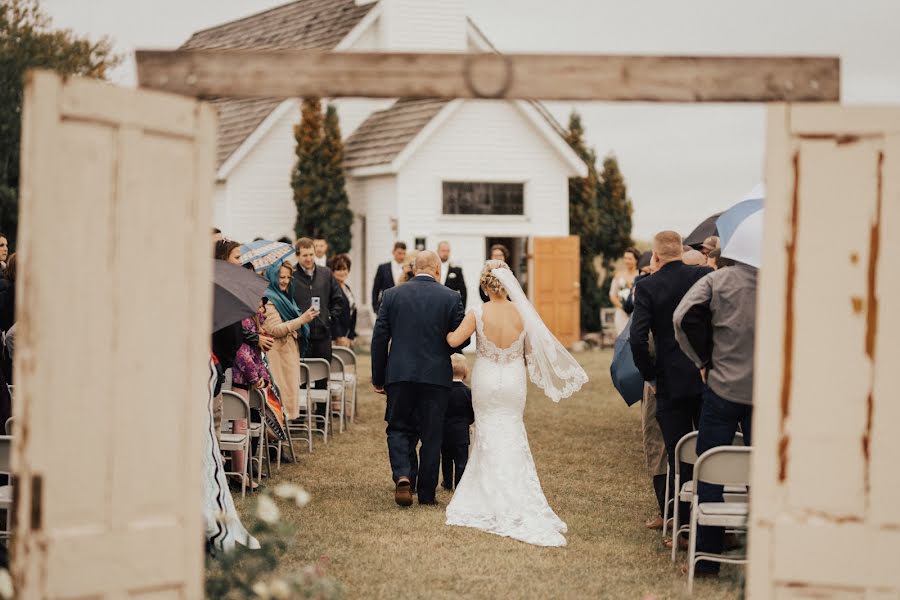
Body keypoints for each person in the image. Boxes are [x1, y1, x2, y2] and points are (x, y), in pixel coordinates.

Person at [444, 260, 588, 547]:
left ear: (485, 285)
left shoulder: (477, 312)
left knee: (486, 433)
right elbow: (531, 353)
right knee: (511, 432)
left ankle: (487, 494)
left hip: (486, 379)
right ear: (508, 284)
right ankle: (516, 494)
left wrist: (444, 329)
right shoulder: (523, 313)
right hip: (512, 380)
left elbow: (453, 341)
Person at [674, 257, 758, 577]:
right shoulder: (779, 280)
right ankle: (763, 555)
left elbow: (682, 316)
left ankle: (706, 562)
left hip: (722, 387)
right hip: (764, 392)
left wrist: (701, 359)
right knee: (760, 474)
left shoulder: (717, 280)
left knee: (709, 474)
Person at [629, 231, 712, 549]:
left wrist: (650, 373)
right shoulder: (705, 275)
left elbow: (638, 338)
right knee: (709, 449)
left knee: (678, 454)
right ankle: (711, 525)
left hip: (669, 382)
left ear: (657, 257)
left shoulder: (648, 286)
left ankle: (682, 526)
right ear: (680, 251)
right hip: (706, 377)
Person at [371, 251, 468, 507]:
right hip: (436, 376)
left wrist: (379, 377)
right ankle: (426, 494)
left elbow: (380, 338)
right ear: (437, 269)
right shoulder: (451, 297)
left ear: (414, 268)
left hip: (400, 374)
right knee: (432, 434)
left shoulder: (392, 295)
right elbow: (462, 339)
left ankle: (403, 475)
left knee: (399, 427)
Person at [262, 262, 318, 420]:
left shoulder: (284, 297)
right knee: (279, 398)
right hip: (277, 355)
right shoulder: (268, 298)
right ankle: (275, 440)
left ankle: (280, 438)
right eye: (281, 277)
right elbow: (274, 330)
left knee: (287, 395)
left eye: (288, 277)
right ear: (272, 277)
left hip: (287, 354)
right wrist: (301, 320)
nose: (285, 280)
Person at [293, 237, 344, 372]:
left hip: (323, 335)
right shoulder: (291, 276)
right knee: (301, 381)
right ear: (297, 256)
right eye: (305, 255)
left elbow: (338, 299)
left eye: (311, 254)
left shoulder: (326, 273)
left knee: (322, 378)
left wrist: (330, 317)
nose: (309, 259)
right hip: (300, 337)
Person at [441, 353, 474, 491]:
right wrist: (468, 421)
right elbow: (472, 413)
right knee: (461, 461)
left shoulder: (442, 392)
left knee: (446, 459)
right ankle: (460, 484)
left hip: (444, 432)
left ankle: (447, 483)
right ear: (465, 372)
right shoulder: (468, 392)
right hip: (461, 433)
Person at [610, 247, 641, 335]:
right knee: (622, 337)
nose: (627, 261)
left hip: (636, 312)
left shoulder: (640, 275)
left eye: (630, 259)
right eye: (625, 258)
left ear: (636, 260)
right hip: (621, 312)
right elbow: (612, 295)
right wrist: (622, 307)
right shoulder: (618, 275)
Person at [329, 253, 357, 347]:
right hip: (337, 338)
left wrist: (351, 336)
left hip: (347, 336)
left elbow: (352, 312)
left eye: (344, 269)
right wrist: (339, 336)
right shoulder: (331, 288)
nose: (342, 272)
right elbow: (333, 314)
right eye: (338, 269)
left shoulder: (347, 288)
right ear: (333, 271)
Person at [372, 242, 407, 312]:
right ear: (393, 252)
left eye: (404, 254)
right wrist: (375, 307)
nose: (402, 257)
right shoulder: (382, 268)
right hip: (385, 307)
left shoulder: (408, 269)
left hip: (403, 308)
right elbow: (376, 288)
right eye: (399, 253)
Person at [437, 241, 467, 308]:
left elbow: (463, 291)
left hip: (451, 306)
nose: (445, 253)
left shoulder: (456, 269)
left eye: (447, 251)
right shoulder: (433, 268)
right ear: (438, 251)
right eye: (443, 251)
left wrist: (461, 309)